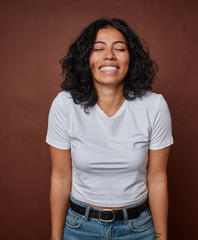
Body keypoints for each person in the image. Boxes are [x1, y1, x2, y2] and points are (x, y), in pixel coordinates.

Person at [46, 18, 173, 240]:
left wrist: (161, 238)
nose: (109, 55)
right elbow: (61, 176)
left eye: (120, 49)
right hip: (80, 228)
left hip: (138, 230)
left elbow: (157, 178)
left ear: (131, 58)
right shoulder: (64, 105)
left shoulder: (154, 106)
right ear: (86, 58)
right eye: (98, 49)